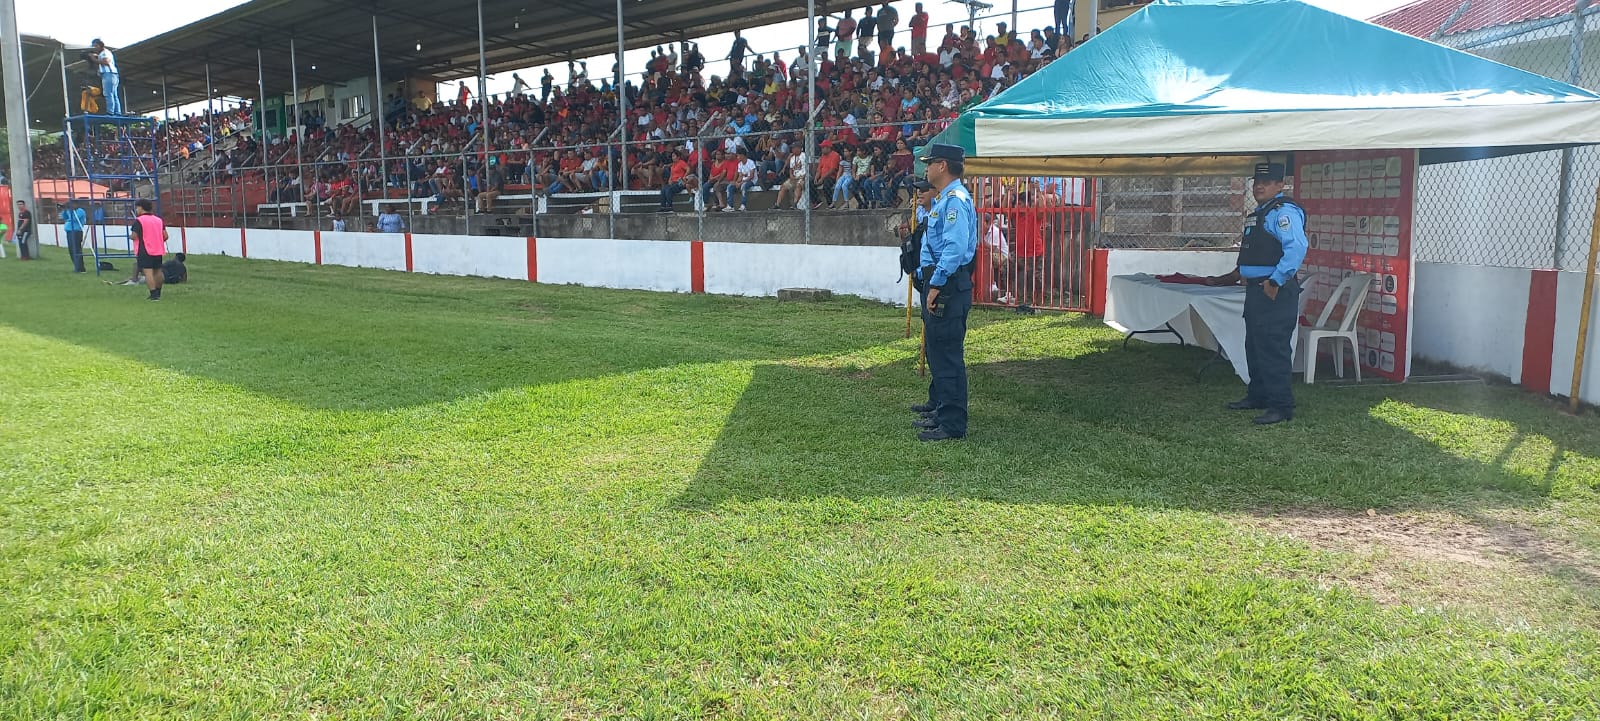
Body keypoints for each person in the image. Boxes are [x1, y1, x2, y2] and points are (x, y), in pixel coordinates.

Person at [1207, 162, 1307, 425]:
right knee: (1254, 345)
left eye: (1268, 181)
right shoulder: (1260, 212)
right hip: (1256, 289)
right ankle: (1258, 396)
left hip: (1273, 289)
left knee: (1273, 348)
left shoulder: (1283, 212)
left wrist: (1275, 280)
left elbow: (1296, 248)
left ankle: (1281, 406)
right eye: (1257, 181)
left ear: (1280, 185)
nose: (1259, 185)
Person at [909, 143, 977, 442]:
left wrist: (935, 284)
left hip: (946, 285)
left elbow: (954, 248)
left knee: (947, 354)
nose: (927, 168)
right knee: (937, 349)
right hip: (940, 282)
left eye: (930, 162)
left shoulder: (955, 201)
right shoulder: (945, 200)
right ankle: (941, 408)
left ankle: (952, 423)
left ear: (943, 166)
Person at [129, 199, 168, 301]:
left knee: (148, 272)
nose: (136, 210)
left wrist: (130, 236)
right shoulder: (158, 220)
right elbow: (165, 236)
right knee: (158, 271)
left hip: (145, 249)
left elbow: (134, 236)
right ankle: (159, 292)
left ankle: (153, 294)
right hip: (158, 249)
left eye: (137, 207)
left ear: (141, 208)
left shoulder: (139, 221)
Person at [91, 39, 121, 115]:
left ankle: (110, 112)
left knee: (108, 93)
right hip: (113, 74)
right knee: (114, 94)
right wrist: (97, 57)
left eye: (96, 46)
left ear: (101, 45)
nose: (95, 48)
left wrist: (94, 59)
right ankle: (117, 112)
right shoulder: (104, 53)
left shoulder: (105, 52)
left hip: (108, 74)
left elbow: (106, 61)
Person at [62, 199, 88, 273]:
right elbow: (65, 218)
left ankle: (80, 268)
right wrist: (64, 210)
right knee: (71, 250)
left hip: (76, 232)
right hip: (70, 232)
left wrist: (69, 211)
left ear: (76, 204)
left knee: (76, 249)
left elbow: (73, 219)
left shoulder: (80, 211)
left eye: (72, 204)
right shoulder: (70, 211)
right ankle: (76, 266)